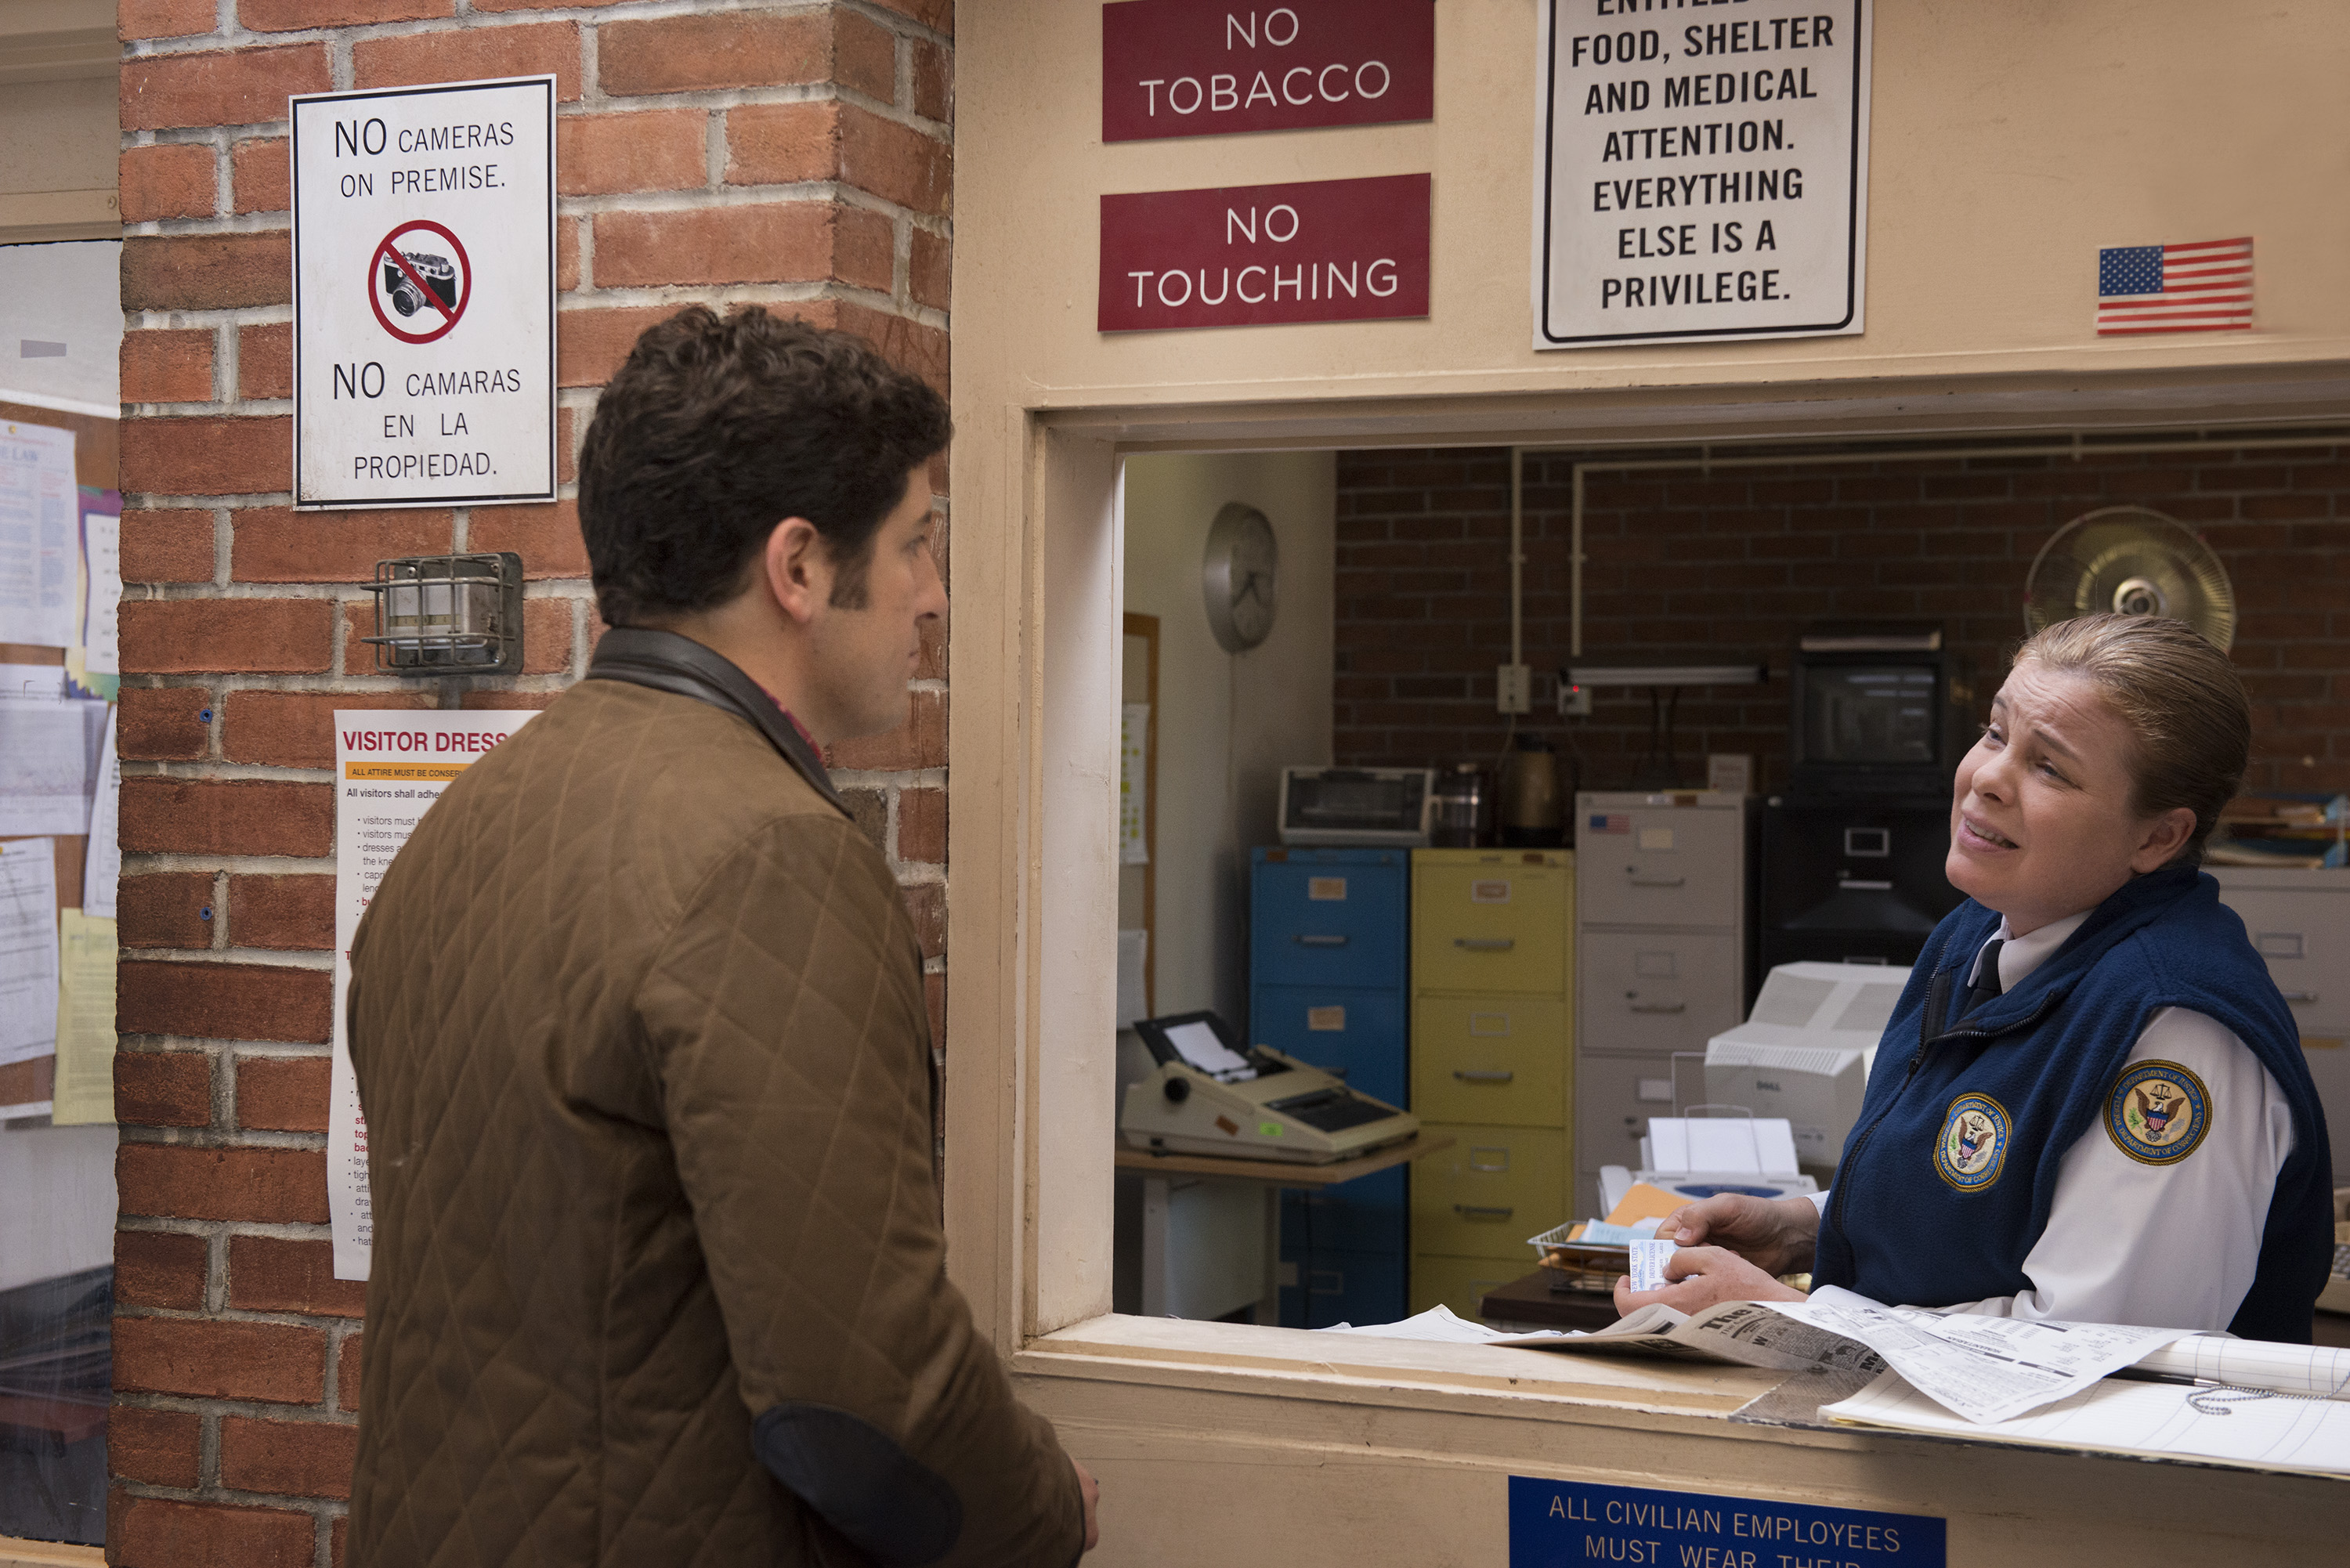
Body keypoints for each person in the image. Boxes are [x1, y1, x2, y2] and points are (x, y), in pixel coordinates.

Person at [345, 307, 1100, 1566]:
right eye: (918, 543)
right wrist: (1043, 1512)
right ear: (798, 568)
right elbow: (866, 1395)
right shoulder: (771, 857)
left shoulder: (462, 828)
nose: (934, 595)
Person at [1620, 613, 2334, 1341]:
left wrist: (1774, 1314)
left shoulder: (2179, 1029)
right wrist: (1802, 1226)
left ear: (2158, 837)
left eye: (2049, 766)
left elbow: (2094, 1352)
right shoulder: (1980, 931)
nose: (1987, 777)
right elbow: (1975, 1185)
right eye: (1996, 734)